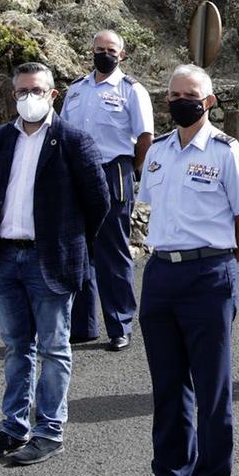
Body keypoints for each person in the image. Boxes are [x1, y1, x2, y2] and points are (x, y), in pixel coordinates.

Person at [126, 65, 239, 476]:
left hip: (209, 274)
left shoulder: (229, 154)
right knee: (167, 385)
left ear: (209, 101)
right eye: (175, 94)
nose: (181, 101)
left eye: (191, 94)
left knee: (211, 386)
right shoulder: (159, 153)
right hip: (162, 274)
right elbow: (151, 210)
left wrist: (223, 264)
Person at [0, 62, 110, 467]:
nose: (26, 98)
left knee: (54, 348)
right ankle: (13, 429)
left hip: (49, 259)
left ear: (53, 94)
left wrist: (71, 243)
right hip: (8, 256)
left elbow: (98, 202)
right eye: (20, 91)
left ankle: (49, 431)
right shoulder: (2, 138)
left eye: (35, 90)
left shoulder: (73, 140)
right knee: (17, 347)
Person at [63, 30, 153, 351]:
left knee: (112, 250)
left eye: (111, 49)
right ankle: (83, 326)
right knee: (79, 250)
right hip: (77, 174)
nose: (104, 54)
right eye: (99, 49)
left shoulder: (132, 90)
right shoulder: (76, 90)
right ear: (91, 51)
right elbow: (63, 133)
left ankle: (120, 325)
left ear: (122, 55)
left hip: (114, 170)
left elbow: (145, 137)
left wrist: (134, 170)